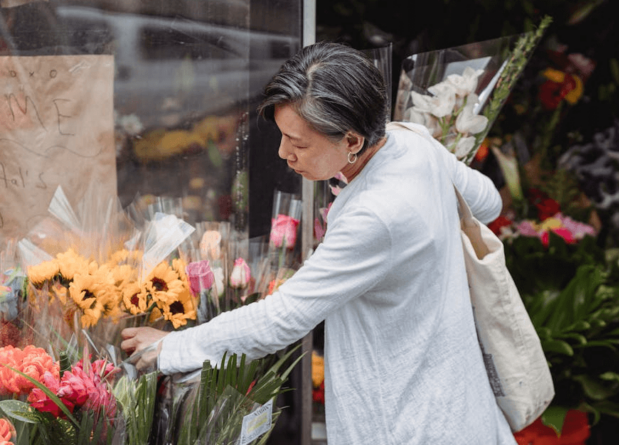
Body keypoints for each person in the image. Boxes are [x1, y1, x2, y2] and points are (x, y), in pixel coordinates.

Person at [121, 42, 515, 444]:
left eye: (299, 143)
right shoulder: (412, 141)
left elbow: (282, 318)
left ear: (352, 141)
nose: (283, 152)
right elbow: (486, 201)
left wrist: (172, 349)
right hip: (461, 404)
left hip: (408, 423)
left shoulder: (376, 214)